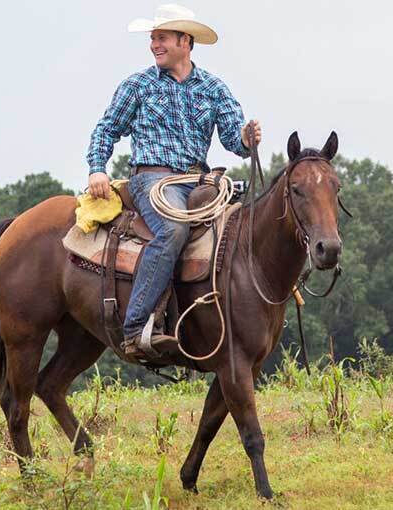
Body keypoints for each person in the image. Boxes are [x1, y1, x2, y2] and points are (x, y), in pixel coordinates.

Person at [86, 4, 262, 358]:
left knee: (241, 233)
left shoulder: (214, 88)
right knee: (173, 230)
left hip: (201, 182)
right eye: (153, 38)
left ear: (185, 41)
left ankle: (224, 323)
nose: (154, 45)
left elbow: (234, 140)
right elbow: (106, 129)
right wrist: (97, 168)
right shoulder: (138, 85)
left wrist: (246, 138)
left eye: (161, 37)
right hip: (152, 180)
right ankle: (135, 328)